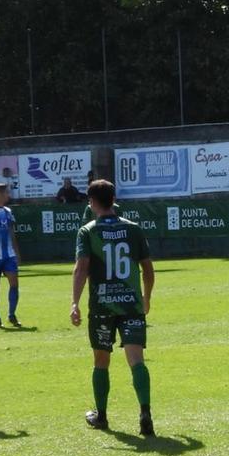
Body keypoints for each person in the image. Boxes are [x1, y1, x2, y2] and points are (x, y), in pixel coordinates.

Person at [71, 179, 156, 436]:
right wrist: (146, 297)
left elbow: (81, 268)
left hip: (102, 306)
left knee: (101, 361)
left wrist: (74, 302)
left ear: (93, 202)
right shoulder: (133, 229)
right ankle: (145, 413)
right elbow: (148, 269)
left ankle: (102, 416)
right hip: (131, 304)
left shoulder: (88, 231)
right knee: (136, 360)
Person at [0, 183, 22, 327]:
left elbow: (11, 233)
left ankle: (12, 315)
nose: (9, 195)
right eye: (7, 192)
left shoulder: (8, 211)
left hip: (9, 255)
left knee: (14, 284)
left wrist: (16, 252)